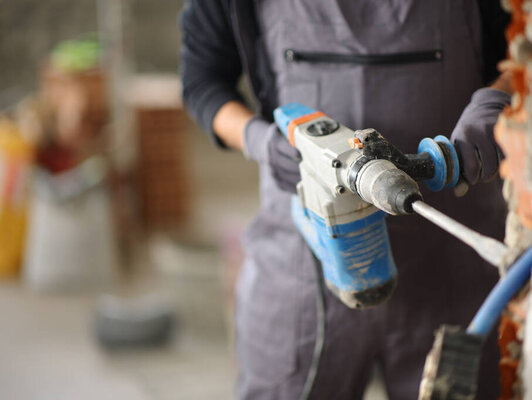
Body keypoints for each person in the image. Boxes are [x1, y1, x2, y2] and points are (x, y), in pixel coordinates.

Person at [180, 1, 511, 399]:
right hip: (303, 268)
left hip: (453, 261)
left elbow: (523, 54)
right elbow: (202, 81)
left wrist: (499, 100)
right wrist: (257, 139)